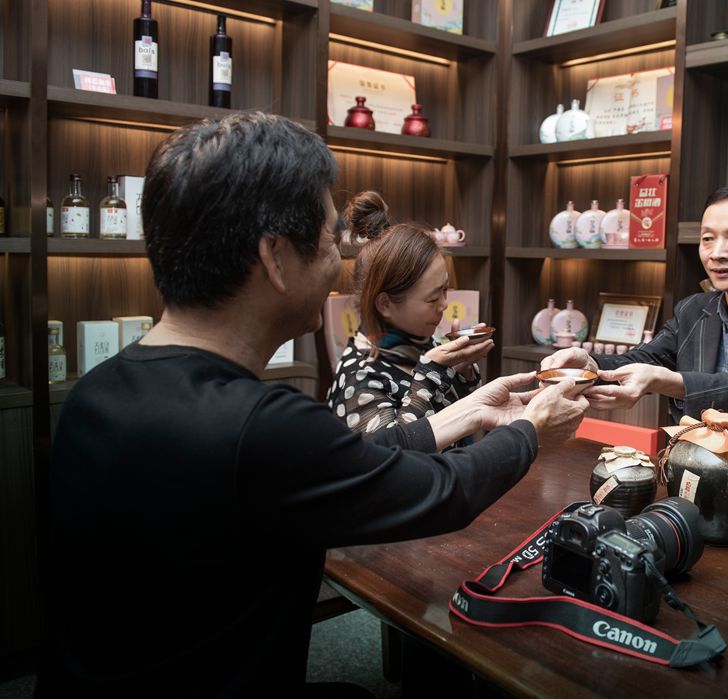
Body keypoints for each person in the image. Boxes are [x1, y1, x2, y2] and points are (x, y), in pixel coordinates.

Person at [36, 112, 587, 697]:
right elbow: (439, 493)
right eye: (329, 243)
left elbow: (353, 459)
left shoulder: (96, 394)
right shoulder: (258, 427)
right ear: (274, 257)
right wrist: (531, 429)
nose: (337, 268)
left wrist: (469, 412)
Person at [542, 181, 728, 493]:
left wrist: (674, 383)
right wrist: (587, 365)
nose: (717, 253)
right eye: (707, 239)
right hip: (695, 486)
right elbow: (644, 359)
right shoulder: (693, 310)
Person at [326, 191, 490, 442]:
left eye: (445, 290)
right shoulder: (358, 376)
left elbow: (462, 424)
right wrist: (430, 373)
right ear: (385, 304)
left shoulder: (423, 345)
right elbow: (391, 454)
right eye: (433, 299)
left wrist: (462, 371)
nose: (444, 305)